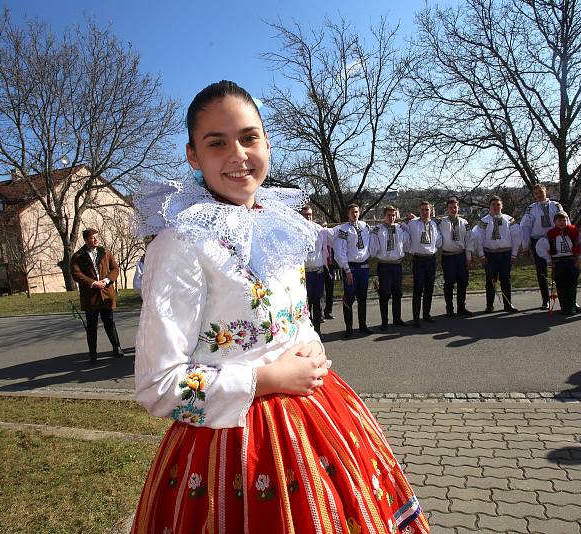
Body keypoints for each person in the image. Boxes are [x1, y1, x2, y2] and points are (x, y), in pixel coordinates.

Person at [131, 81, 428, 534]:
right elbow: (157, 383)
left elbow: (297, 320)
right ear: (193, 156)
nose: (238, 154)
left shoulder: (280, 225)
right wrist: (265, 378)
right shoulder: (182, 242)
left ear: (267, 142)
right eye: (217, 142)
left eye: (249, 137)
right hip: (233, 449)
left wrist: (312, 349)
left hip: (320, 418)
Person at [70, 228, 123, 363]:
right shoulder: (78, 256)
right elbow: (77, 274)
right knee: (91, 326)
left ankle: (116, 348)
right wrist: (93, 283)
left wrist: (106, 281)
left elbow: (115, 269)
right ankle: (93, 354)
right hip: (90, 297)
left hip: (106, 295)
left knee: (109, 322)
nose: (96, 240)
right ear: (86, 240)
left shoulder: (105, 252)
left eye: (96, 237)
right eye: (93, 238)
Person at [472, 195, 522, 313]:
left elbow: (516, 237)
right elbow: (478, 238)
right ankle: (489, 305)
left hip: (506, 254)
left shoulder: (509, 219)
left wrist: (514, 254)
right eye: (493, 205)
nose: (496, 207)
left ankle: (508, 304)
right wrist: (481, 255)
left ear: (502, 206)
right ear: (489, 207)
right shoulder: (484, 221)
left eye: (498, 204)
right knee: (490, 280)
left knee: (506, 280)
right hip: (490, 255)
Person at [535, 211, 581, 315]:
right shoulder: (550, 235)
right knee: (561, 285)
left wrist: (580, 258)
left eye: (564, 220)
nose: (562, 222)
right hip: (558, 262)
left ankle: (572, 305)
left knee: (572, 284)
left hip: (572, 261)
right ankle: (564, 307)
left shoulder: (574, 232)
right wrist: (548, 260)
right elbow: (540, 247)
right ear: (554, 222)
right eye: (559, 220)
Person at [521, 184, 564, 310]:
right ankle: (546, 300)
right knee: (541, 271)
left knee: (560, 269)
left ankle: (565, 298)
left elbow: (564, 220)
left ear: (546, 191)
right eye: (536, 193)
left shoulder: (555, 206)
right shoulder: (531, 208)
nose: (539, 195)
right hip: (537, 240)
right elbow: (525, 227)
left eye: (541, 192)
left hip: (555, 239)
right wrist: (525, 246)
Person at [333, 204, 373, 337]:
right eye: (352, 212)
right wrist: (347, 270)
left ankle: (363, 325)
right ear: (348, 214)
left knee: (363, 297)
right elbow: (340, 251)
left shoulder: (365, 226)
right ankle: (349, 327)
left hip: (364, 266)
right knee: (349, 298)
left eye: (356, 212)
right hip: (351, 268)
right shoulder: (343, 230)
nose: (355, 214)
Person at [369, 205, 410, 330]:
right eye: (389, 215)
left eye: (394, 215)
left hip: (397, 265)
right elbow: (373, 248)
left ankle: (397, 319)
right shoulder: (378, 229)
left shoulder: (400, 228)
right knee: (384, 294)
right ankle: (384, 322)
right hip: (384, 265)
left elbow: (407, 242)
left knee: (397, 293)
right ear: (384, 216)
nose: (392, 218)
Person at [402, 201, 442, 327]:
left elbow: (439, 241)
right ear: (419, 210)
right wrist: (407, 217)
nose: (425, 212)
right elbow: (399, 225)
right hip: (418, 260)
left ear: (430, 211)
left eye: (427, 210)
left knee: (429, 288)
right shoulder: (413, 224)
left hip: (431, 259)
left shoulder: (434, 224)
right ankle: (416, 318)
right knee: (418, 289)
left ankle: (426, 314)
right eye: (423, 210)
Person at [438, 197, 476, 317]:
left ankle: (461, 307)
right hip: (448, 257)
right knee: (449, 283)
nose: (453, 209)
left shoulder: (464, 222)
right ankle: (449, 308)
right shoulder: (441, 222)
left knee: (463, 282)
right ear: (447, 209)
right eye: (450, 207)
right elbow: (425, 220)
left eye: (455, 207)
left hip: (461, 256)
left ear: (458, 208)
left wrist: (469, 257)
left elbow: (469, 239)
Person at [300, 204, 328, 333]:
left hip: (318, 271)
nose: (308, 217)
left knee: (317, 303)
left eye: (310, 215)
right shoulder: (296, 230)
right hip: (304, 273)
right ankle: (307, 332)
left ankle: (318, 330)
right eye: (305, 215)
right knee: (306, 304)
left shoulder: (319, 229)